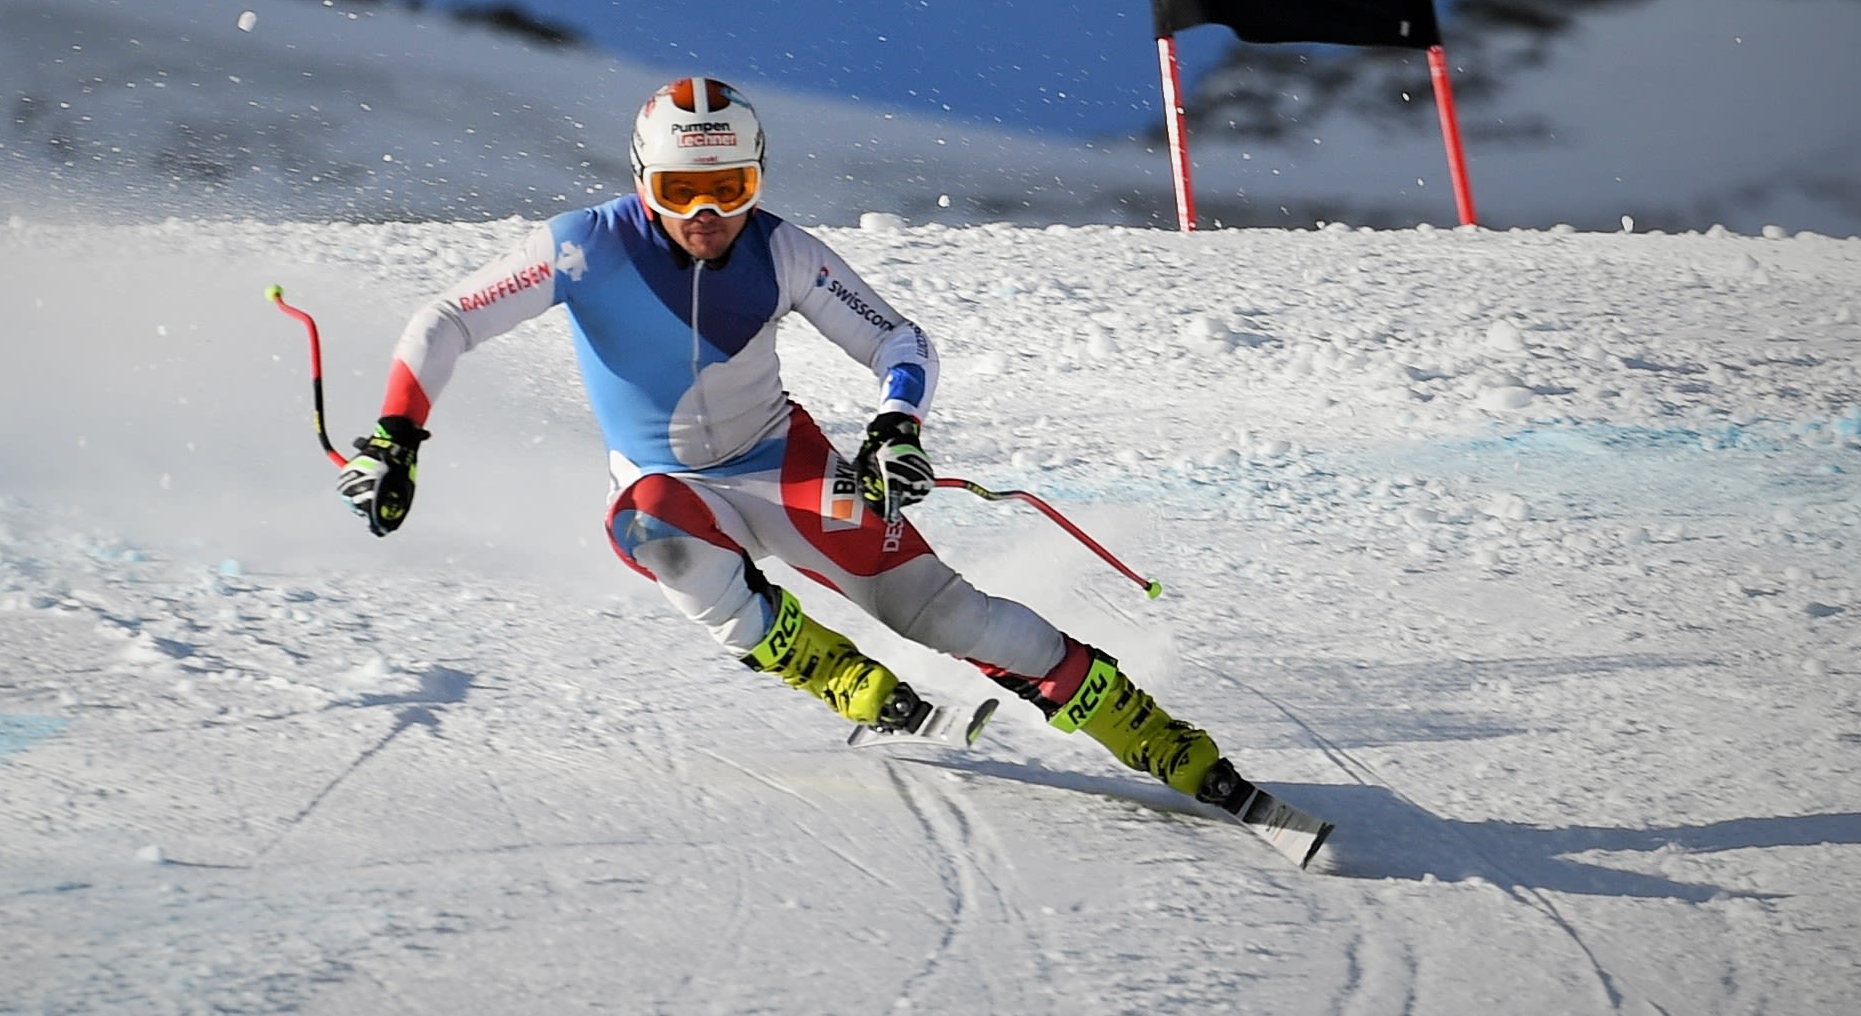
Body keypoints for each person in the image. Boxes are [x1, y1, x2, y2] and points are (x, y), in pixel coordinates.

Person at [335, 75, 1267, 819]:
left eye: (729, 189)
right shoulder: (584, 249)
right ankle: (820, 665)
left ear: (758, 180)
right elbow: (447, 318)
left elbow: (898, 341)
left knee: (948, 618)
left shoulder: (785, 254)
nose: (706, 214)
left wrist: (896, 425)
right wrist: (397, 434)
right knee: (657, 530)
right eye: (680, 192)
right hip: (667, 483)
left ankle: (1146, 730)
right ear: (641, 185)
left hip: (784, 466)